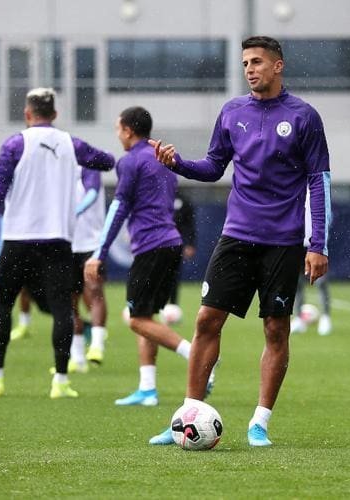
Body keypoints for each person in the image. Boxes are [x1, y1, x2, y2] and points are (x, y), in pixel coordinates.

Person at [147, 36, 331, 447]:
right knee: (206, 321)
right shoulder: (232, 112)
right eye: (246, 62)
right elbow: (214, 167)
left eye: (258, 62)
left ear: (278, 66)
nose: (250, 69)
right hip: (237, 236)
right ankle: (187, 415)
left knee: (275, 329)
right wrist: (178, 164)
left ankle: (260, 422)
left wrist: (318, 243)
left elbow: (320, 183)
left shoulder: (304, 116)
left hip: (283, 242)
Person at [0, 87, 114, 399]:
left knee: (3, 305)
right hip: (58, 241)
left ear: (27, 113)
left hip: (18, 239)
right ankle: (60, 382)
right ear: (56, 114)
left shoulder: (14, 144)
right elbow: (106, 161)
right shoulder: (70, 143)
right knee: (63, 309)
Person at [84, 106, 203, 407]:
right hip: (170, 244)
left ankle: (199, 357)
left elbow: (119, 207)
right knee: (146, 315)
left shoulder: (131, 161)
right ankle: (148, 389)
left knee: (136, 320)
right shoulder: (163, 157)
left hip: (152, 246)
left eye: (118, 129)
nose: (117, 135)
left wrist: (99, 253)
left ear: (127, 130)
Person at [70, 167, 110, 369]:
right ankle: (76, 356)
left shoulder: (89, 168)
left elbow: (92, 192)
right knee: (69, 300)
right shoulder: (56, 168)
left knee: (94, 291)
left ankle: (96, 344)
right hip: (66, 242)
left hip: (91, 243)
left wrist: (74, 211)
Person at [290, 189, 333, 336]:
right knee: (297, 283)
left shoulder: (316, 190)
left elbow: (326, 216)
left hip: (314, 244)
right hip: (296, 242)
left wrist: (320, 241)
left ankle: (326, 318)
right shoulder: (292, 188)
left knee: (321, 281)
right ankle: (298, 319)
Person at [163, 190, 197, 324]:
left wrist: (190, 244)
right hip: (159, 242)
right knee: (159, 276)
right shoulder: (158, 196)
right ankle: (157, 306)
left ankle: (173, 307)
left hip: (177, 243)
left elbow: (190, 224)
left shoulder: (183, 199)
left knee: (174, 276)